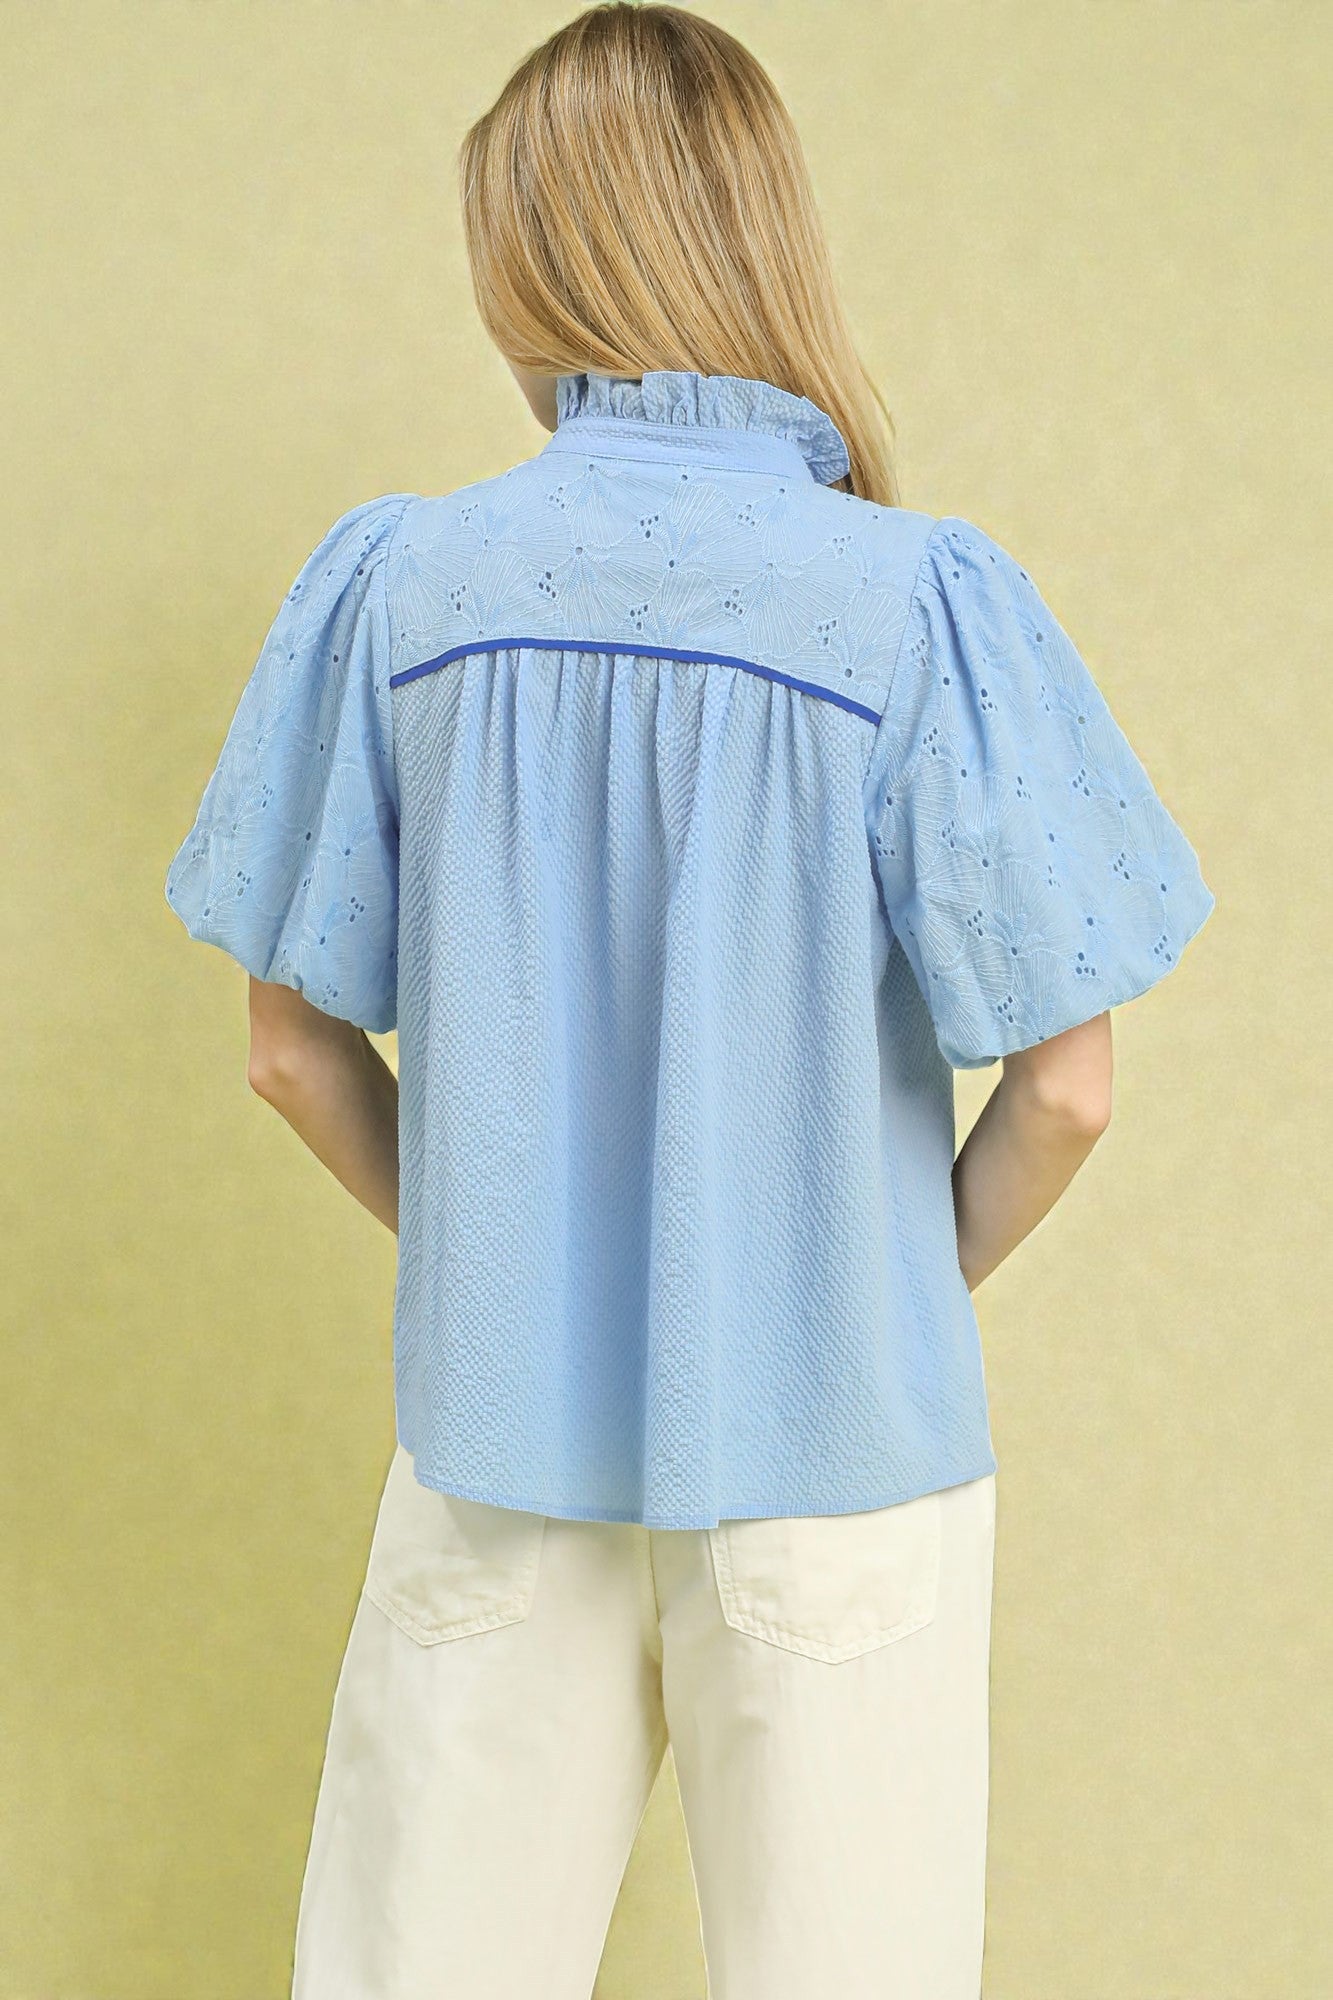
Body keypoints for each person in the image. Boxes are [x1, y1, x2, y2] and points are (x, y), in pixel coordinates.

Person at [162, 6, 1216, 1995]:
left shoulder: (397, 589)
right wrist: (858, 1278)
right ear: (756, 235)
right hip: (847, 1463)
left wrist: (514, 1252)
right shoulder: (922, 604)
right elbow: (1067, 1092)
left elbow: (289, 1050)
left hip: (495, 1448)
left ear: (528, 249)